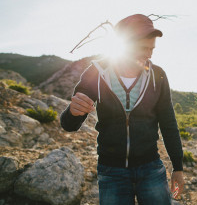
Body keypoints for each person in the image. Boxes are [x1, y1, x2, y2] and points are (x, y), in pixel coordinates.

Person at [60, 14, 184, 205]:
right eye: (144, 48)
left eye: (152, 49)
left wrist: (178, 167)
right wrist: (73, 112)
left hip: (151, 168)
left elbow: (168, 123)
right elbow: (69, 124)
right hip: (111, 171)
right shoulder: (96, 73)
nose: (150, 54)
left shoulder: (157, 75)